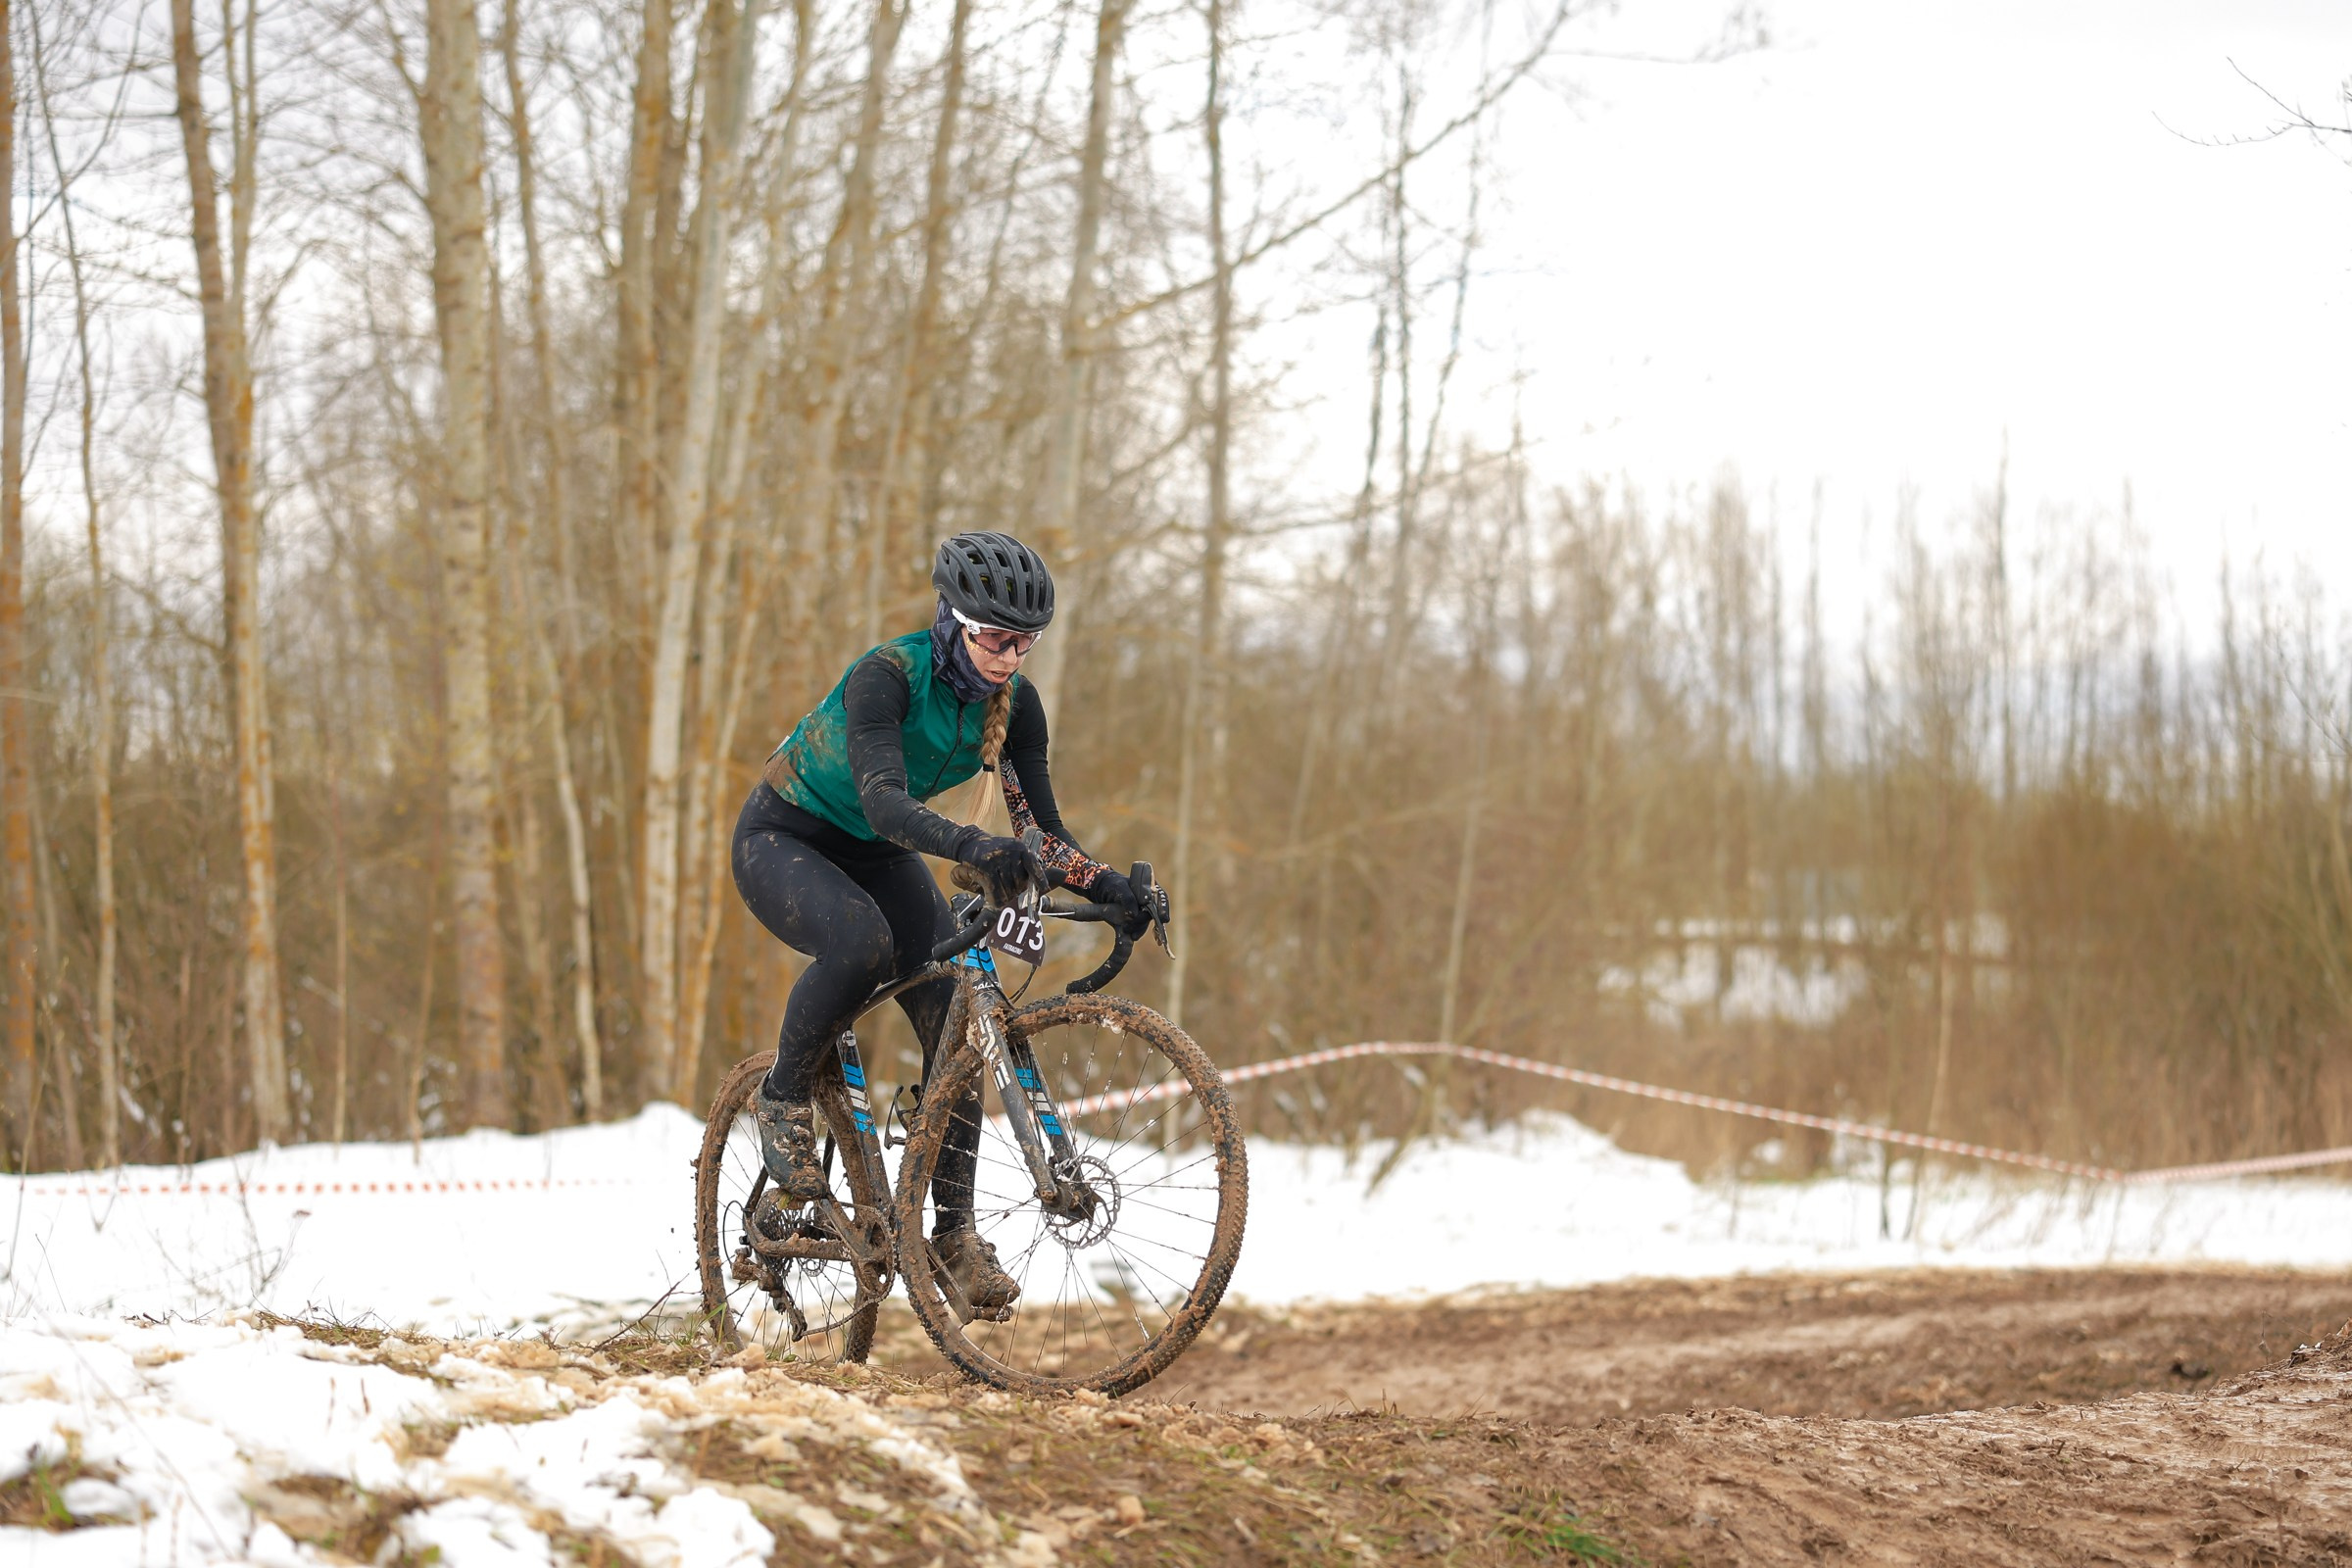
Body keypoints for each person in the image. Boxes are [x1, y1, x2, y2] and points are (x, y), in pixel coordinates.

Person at [731, 531, 1153, 1316]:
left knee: (955, 1027)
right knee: (862, 942)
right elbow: (886, 800)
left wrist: (1106, 883)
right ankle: (782, 1098)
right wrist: (969, 845)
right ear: (953, 620)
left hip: (881, 854)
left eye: (1025, 643)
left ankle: (952, 1237)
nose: (1010, 658)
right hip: (786, 839)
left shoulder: (1016, 708)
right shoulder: (886, 678)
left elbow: (1040, 832)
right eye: (997, 639)